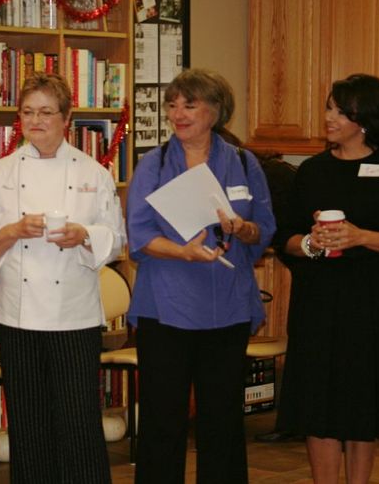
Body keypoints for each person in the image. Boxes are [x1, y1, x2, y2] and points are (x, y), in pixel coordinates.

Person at [0, 72, 125, 484]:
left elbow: (116, 238)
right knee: (28, 423)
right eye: (27, 112)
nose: (35, 121)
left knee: (79, 422)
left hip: (74, 314)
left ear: (66, 118)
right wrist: (12, 231)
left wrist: (84, 235)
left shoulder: (94, 173)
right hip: (17, 315)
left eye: (46, 112)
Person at [274, 74, 379, 484]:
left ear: (365, 119)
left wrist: (361, 236)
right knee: (316, 402)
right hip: (317, 301)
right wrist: (310, 243)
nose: (329, 117)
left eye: (341, 110)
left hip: (370, 301)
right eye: (328, 107)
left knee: (363, 401)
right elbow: (283, 237)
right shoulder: (311, 170)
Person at [126, 68, 276, 483]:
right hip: (165, 307)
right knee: (163, 419)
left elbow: (264, 227)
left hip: (226, 307)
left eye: (189, 104)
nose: (178, 113)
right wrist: (184, 252)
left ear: (215, 111)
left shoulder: (245, 163)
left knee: (223, 419)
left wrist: (243, 230)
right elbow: (138, 236)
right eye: (172, 105)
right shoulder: (153, 164)